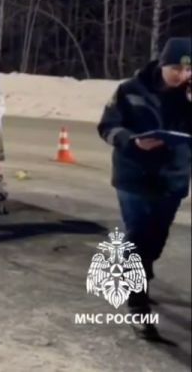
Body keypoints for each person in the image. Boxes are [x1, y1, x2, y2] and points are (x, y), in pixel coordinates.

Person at [97, 37, 191, 339]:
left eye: (188, 69)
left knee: (156, 238)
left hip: (173, 178)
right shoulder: (130, 90)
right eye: (175, 68)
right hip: (133, 177)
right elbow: (107, 126)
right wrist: (130, 140)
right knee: (138, 238)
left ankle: (142, 278)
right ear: (162, 64)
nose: (182, 75)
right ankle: (138, 305)